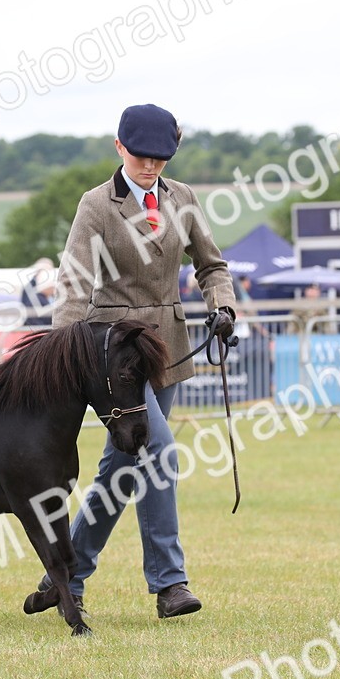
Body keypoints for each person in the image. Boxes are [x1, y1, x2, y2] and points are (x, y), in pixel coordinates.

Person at [32, 103, 236, 619]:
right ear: (119, 147)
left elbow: (211, 265)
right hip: (113, 354)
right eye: (142, 156)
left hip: (166, 348)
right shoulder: (97, 205)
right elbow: (75, 281)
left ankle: (66, 576)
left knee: (121, 470)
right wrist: (64, 354)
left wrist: (224, 307)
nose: (151, 166)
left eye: (161, 159)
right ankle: (171, 584)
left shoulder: (183, 198)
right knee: (160, 452)